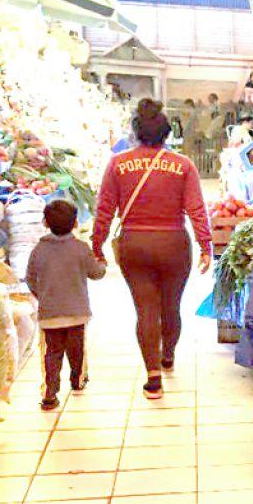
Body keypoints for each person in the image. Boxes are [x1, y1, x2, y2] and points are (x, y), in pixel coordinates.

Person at [92, 99, 212, 400]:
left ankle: (153, 377)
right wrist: (205, 244)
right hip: (174, 244)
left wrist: (97, 244)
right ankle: (168, 354)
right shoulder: (183, 165)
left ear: (135, 131)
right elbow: (196, 209)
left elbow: (104, 209)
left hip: (135, 245)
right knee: (171, 307)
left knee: (146, 310)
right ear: (166, 132)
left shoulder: (118, 164)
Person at [25, 199, 106, 411]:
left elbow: (30, 279)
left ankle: (50, 394)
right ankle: (77, 380)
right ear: (75, 223)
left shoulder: (38, 250)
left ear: (45, 222)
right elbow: (96, 273)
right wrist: (102, 265)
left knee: (52, 352)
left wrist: (43, 296)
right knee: (76, 348)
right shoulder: (81, 248)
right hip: (77, 312)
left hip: (50, 314)